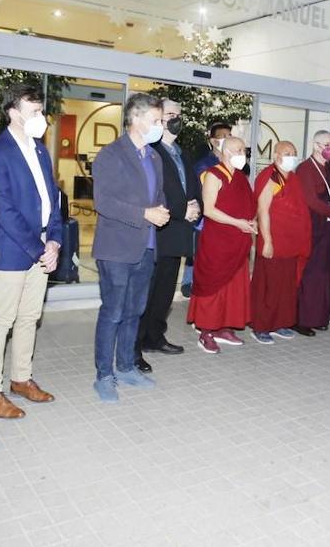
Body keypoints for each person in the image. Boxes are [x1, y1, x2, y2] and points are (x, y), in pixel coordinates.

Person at [0, 84, 63, 419]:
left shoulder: (41, 150)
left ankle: (21, 379)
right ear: (13, 113)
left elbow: (53, 199)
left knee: (30, 317)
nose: (40, 118)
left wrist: (55, 240)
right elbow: (5, 209)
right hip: (16, 250)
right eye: (34, 112)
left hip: (43, 247)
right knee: (2, 320)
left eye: (41, 111)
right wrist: (38, 247)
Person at [90, 93, 168, 403]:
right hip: (116, 249)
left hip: (146, 246)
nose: (159, 126)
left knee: (135, 311)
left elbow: (157, 194)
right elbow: (104, 202)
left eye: (160, 121)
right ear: (135, 119)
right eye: (155, 121)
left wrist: (160, 210)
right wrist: (144, 214)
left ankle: (124, 366)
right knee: (113, 312)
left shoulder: (154, 157)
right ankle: (103, 375)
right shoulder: (111, 155)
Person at [135, 99, 200, 372]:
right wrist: (180, 210)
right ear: (158, 118)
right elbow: (154, 192)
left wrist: (195, 206)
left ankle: (155, 336)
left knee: (164, 292)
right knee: (146, 293)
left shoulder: (182, 153)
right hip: (158, 231)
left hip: (178, 232)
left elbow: (193, 186)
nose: (175, 118)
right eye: (169, 114)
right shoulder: (151, 151)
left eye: (178, 114)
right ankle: (134, 347)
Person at [190, 137, 257, 352]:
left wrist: (252, 221)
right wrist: (237, 222)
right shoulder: (213, 174)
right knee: (213, 285)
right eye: (238, 150)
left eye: (244, 150)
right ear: (225, 151)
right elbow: (209, 210)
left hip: (238, 242)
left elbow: (249, 206)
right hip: (218, 241)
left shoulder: (241, 177)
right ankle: (206, 331)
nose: (242, 154)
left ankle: (223, 327)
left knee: (233, 288)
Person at [251, 141, 310, 343]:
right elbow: (263, 210)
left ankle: (280, 323)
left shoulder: (293, 178)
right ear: (275, 155)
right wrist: (267, 240)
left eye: (294, 153)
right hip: (274, 240)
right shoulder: (270, 177)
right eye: (287, 153)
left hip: (291, 242)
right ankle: (261, 326)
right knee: (269, 285)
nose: (292, 156)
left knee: (286, 286)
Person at [294, 130, 330, 334]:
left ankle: (318, 316)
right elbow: (310, 199)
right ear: (315, 145)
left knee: (326, 274)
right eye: (327, 145)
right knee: (312, 274)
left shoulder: (329, 169)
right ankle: (303, 320)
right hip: (314, 227)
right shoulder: (305, 169)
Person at [183, 121, 233, 297]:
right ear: (212, 141)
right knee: (202, 261)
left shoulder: (233, 165)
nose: (227, 140)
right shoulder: (204, 165)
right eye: (223, 137)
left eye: (230, 136)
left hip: (227, 222)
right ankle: (194, 289)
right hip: (205, 222)